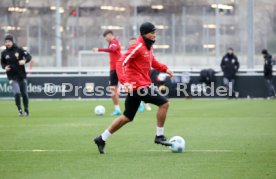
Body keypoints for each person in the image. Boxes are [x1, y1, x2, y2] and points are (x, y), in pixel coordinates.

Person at [94, 22, 174, 154]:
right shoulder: (137, 46)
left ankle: (101, 138)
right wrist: (125, 82)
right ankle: (159, 136)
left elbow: (152, 62)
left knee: (127, 117)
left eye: (155, 32)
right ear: (144, 34)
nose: (155, 34)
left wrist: (166, 69)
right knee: (164, 103)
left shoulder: (148, 47)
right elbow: (120, 62)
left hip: (138, 87)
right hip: (138, 86)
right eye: (152, 32)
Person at [1, 35, 32, 117]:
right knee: (17, 93)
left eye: (9, 41)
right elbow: (2, 63)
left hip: (21, 76)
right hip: (12, 77)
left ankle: (26, 109)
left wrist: (24, 61)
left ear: (12, 41)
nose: (7, 43)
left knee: (24, 94)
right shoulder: (4, 53)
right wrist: (5, 67)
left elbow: (29, 56)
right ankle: (19, 109)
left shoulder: (19, 50)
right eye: (6, 41)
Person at [93, 30, 122, 116]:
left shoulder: (114, 41)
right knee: (112, 90)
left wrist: (99, 49)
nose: (105, 39)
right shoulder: (111, 42)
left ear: (110, 35)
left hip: (119, 68)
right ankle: (117, 110)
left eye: (105, 37)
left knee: (128, 87)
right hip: (113, 69)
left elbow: (112, 49)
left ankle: (139, 104)